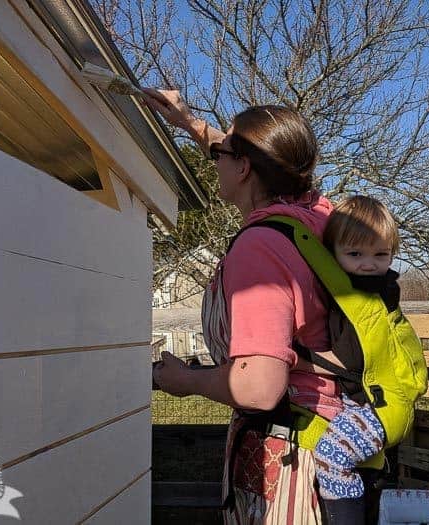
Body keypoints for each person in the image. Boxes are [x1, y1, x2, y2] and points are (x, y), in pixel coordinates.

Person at [145, 88, 343, 524]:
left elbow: (259, 386)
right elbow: (263, 159)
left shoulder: (260, 250)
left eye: (224, 152)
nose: (216, 159)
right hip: (334, 445)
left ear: (246, 167)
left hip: (288, 452)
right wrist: (191, 124)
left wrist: (185, 379)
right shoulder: (315, 218)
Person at [299, 195, 402, 524]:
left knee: (332, 454)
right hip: (368, 404)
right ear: (335, 254)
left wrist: (297, 360)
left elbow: (350, 363)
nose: (369, 264)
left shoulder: (374, 297)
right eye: (355, 254)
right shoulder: (352, 291)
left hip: (381, 408)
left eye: (380, 254)